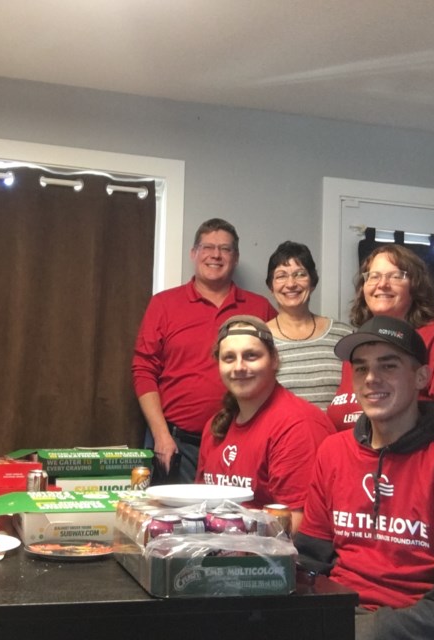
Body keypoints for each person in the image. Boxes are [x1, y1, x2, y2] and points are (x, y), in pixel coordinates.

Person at [295, 316, 434, 640]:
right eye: (360, 368)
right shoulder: (333, 451)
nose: (371, 379)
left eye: (388, 366)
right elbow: (309, 562)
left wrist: (356, 630)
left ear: (421, 376)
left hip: (412, 627)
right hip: (335, 617)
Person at [133, 218, 276, 483]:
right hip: (177, 445)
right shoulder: (164, 304)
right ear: (194, 253)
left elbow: (274, 369)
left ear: (235, 257)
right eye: (208, 247)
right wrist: (161, 435)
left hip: (240, 443)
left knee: (233, 522)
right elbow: (143, 372)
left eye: (225, 248)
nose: (216, 255)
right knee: (171, 523)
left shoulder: (260, 308)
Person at [327, 244, 434, 450]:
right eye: (373, 276)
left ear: (415, 286)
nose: (382, 284)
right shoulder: (359, 346)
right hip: (360, 472)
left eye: (395, 276)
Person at [196, 316, 335, 531]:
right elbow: (201, 503)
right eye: (229, 358)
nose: (239, 367)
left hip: (273, 560)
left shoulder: (298, 426)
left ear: (274, 360)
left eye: (251, 356)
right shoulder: (215, 426)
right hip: (220, 553)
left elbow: (296, 525)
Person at [265, 241, 353, 410]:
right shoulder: (259, 339)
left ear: (312, 283)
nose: (291, 284)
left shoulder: (344, 335)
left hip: (337, 435)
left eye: (300, 274)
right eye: (281, 276)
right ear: (271, 286)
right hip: (283, 435)